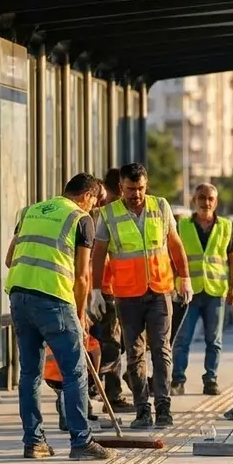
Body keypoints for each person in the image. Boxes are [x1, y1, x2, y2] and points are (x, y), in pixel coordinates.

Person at [4, 173, 114, 460]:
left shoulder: (30, 211)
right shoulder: (80, 219)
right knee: (75, 372)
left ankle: (34, 442)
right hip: (54, 299)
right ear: (87, 195)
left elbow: (9, 259)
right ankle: (81, 442)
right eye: (95, 202)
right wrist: (80, 313)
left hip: (19, 297)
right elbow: (82, 275)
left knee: (30, 373)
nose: (94, 208)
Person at [89, 163, 191, 429]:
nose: (136, 194)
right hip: (127, 295)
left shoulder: (160, 206)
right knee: (134, 354)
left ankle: (164, 408)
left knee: (161, 350)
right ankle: (143, 410)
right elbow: (99, 253)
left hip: (160, 290)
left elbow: (175, 244)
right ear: (120, 187)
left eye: (141, 188)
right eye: (131, 189)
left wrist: (184, 277)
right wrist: (96, 290)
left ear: (147, 185)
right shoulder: (108, 214)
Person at [171, 183, 233, 396]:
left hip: (215, 292)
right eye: (202, 197)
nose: (206, 202)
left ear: (216, 202)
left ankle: (211, 379)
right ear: (194, 200)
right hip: (188, 292)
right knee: (182, 339)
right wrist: (173, 285)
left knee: (214, 340)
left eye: (210, 198)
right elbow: (173, 257)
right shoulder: (182, 225)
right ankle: (178, 380)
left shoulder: (225, 226)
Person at [92, 168, 134, 411]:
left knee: (110, 343)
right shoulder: (106, 216)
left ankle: (104, 390)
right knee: (111, 344)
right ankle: (110, 395)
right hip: (107, 289)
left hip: (109, 289)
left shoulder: (99, 215)